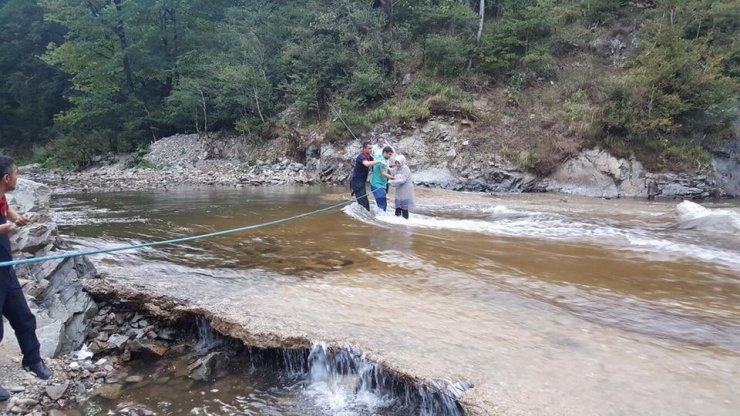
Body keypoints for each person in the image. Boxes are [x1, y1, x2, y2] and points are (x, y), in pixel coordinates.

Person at [0, 157, 53, 402]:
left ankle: (33, 361)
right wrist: (5, 228)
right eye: (16, 174)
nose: (18, 178)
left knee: (24, 318)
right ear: (6, 178)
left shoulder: (1, 196)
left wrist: (15, 216)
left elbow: (4, 207)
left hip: (6, 271)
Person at [350, 142, 385, 211]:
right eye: (369, 148)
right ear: (364, 149)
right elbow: (366, 164)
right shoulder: (361, 157)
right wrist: (379, 161)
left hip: (362, 181)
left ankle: (363, 214)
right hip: (356, 182)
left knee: (363, 201)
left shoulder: (369, 157)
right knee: (364, 202)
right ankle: (363, 217)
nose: (371, 150)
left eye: (371, 148)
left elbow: (374, 164)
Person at [388, 155, 415, 219]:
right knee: (397, 204)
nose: (397, 164)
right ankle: (397, 220)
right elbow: (392, 174)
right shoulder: (396, 168)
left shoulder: (405, 168)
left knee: (404, 205)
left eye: (398, 163)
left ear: (402, 162)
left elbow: (403, 180)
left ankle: (405, 220)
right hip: (399, 189)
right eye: (396, 162)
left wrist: (391, 182)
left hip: (406, 189)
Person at [370, 146, 395, 212]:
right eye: (389, 154)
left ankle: (379, 215)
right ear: (384, 153)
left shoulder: (380, 158)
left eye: (391, 154)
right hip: (377, 185)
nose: (390, 156)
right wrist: (392, 178)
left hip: (378, 185)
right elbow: (383, 173)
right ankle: (381, 218)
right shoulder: (382, 161)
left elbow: (386, 169)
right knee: (382, 205)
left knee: (382, 204)